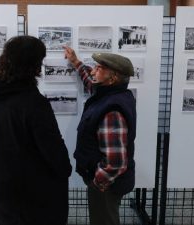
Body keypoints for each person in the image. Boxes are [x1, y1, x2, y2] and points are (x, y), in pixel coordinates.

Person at [0, 35, 72, 225]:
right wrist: (65, 169)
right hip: (30, 194)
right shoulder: (34, 103)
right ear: (33, 65)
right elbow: (52, 150)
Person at [64, 46, 136, 225]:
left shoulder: (112, 111)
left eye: (99, 68)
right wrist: (75, 61)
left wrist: (97, 184)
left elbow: (115, 162)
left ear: (113, 78)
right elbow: (90, 80)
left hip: (105, 186)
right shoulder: (111, 93)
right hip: (106, 182)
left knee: (104, 221)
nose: (93, 70)